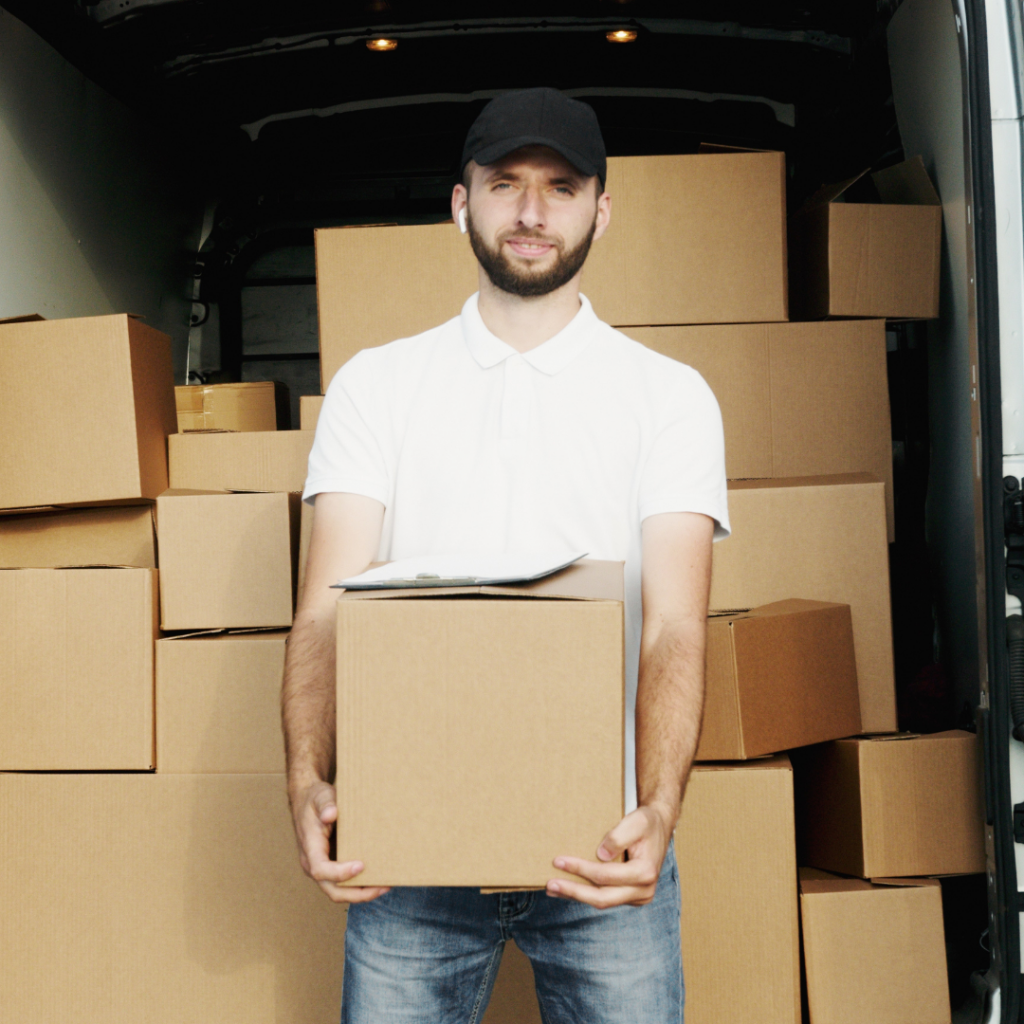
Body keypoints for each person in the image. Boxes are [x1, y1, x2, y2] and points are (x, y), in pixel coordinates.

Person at [283, 86, 730, 1024]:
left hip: (601, 844)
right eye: (505, 184)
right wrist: (307, 775)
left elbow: (676, 626)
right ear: (461, 203)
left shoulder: (669, 397)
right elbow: (325, 606)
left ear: (600, 211)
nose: (531, 212)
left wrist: (658, 811)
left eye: (561, 187)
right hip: (408, 851)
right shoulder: (378, 385)